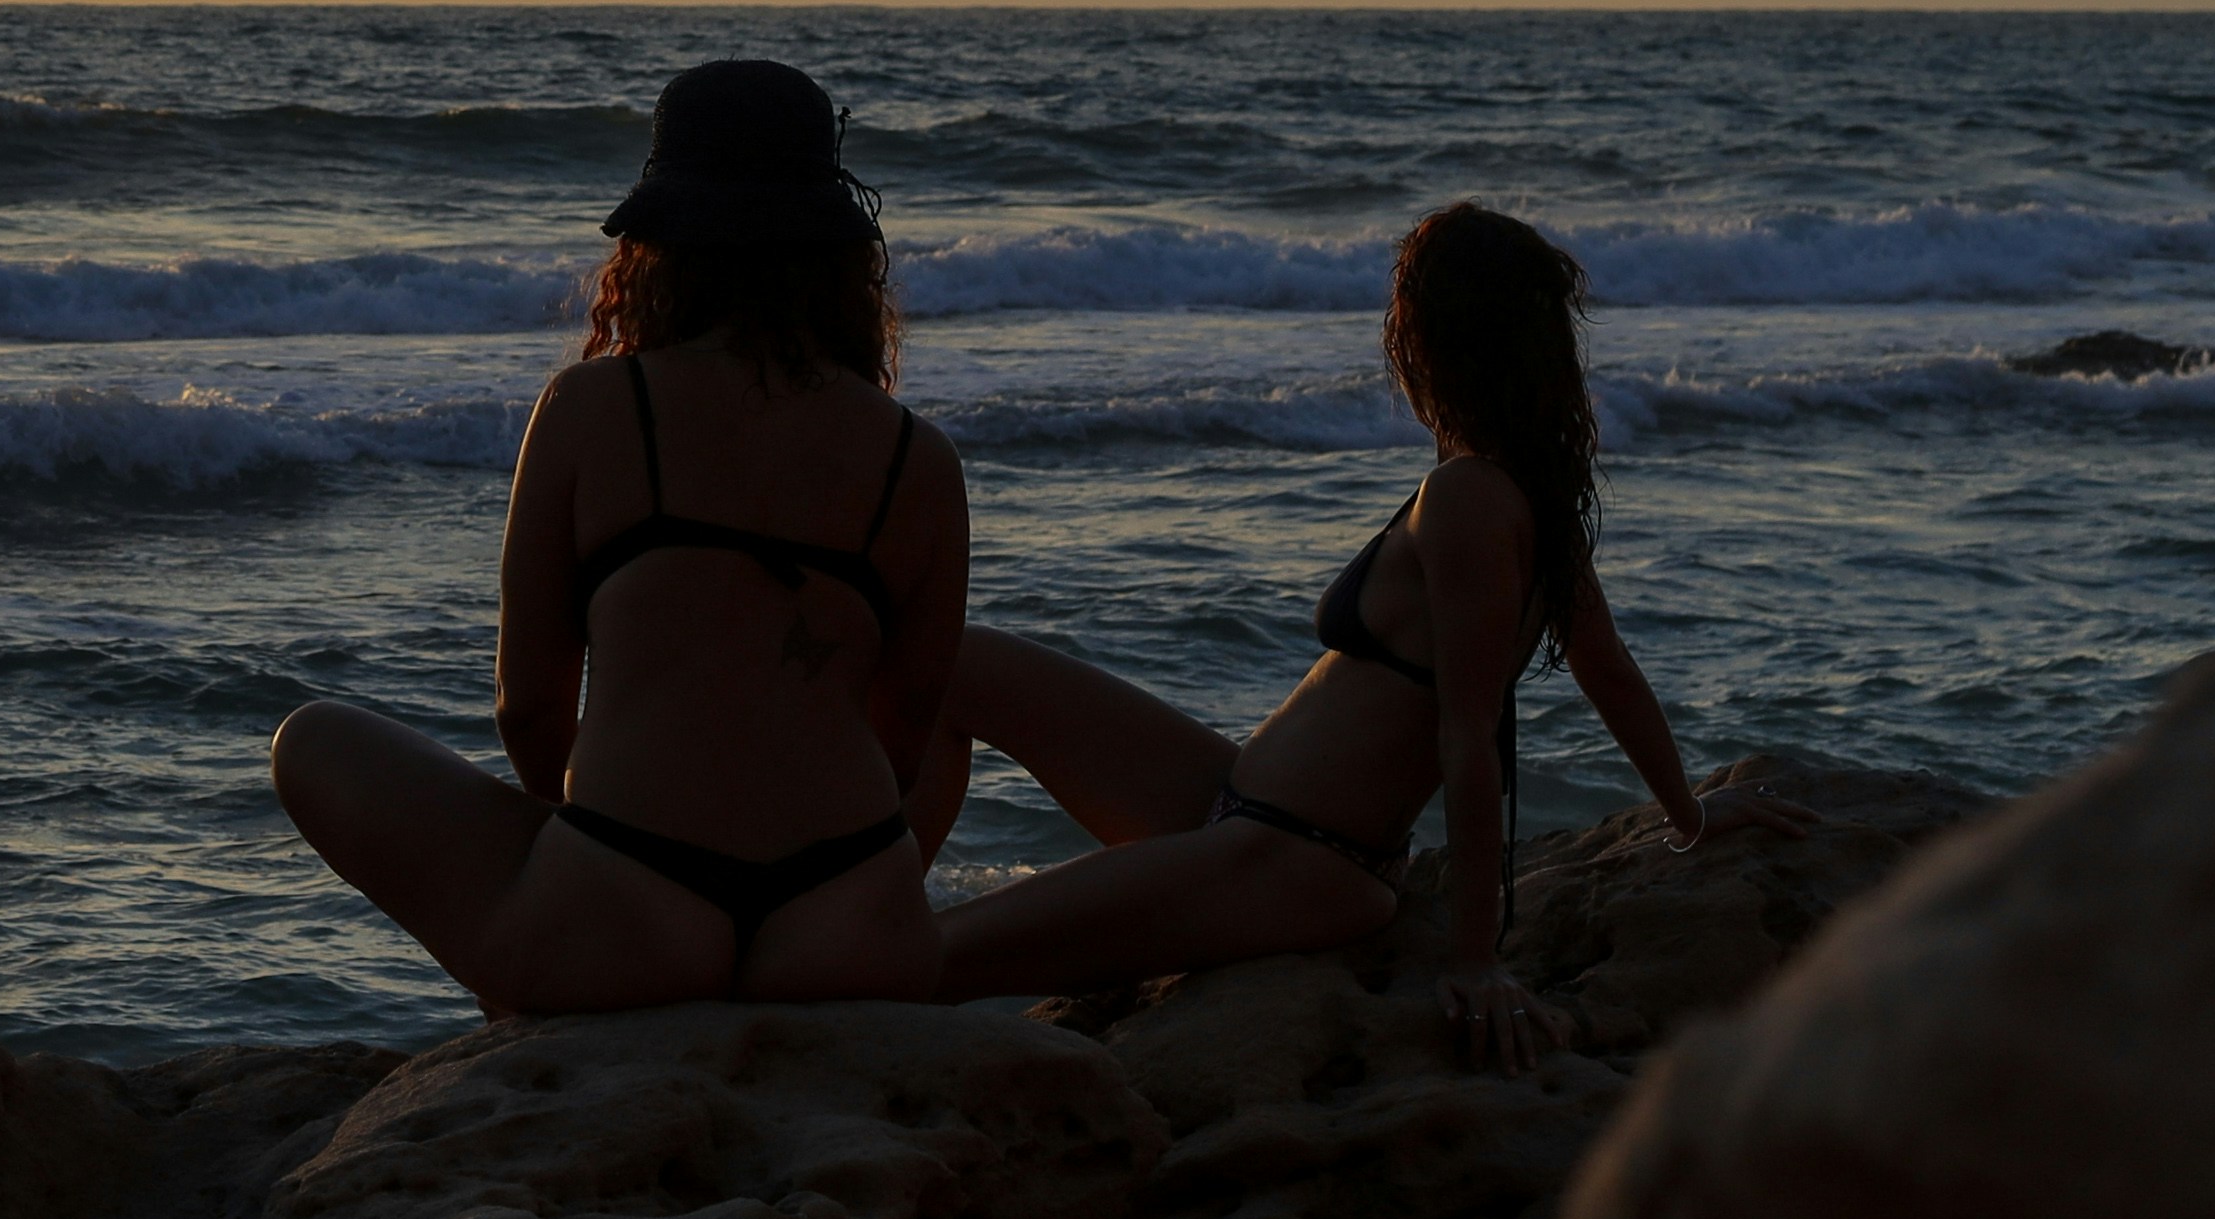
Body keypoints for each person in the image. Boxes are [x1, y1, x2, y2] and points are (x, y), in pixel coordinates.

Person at [917, 202, 1791, 1063]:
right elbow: (1613, 674)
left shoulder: (1472, 499)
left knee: (930, 957)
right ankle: (862, 888)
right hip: (1236, 801)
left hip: (1296, 861)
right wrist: (1688, 811)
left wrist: (1476, 958)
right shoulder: (1520, 495)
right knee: (957, 661)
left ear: (1432, 343)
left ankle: (851, 943)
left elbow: (1471, 737)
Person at [270, 58, 970, 1012]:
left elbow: (529, 706)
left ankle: (572, 937)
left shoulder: (593, 408)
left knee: (312, 739)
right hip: (850, 917)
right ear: (838, 251)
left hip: (636, 895)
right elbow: (909, 735)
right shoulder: (918, 457)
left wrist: (587, 840)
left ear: (655, 243)